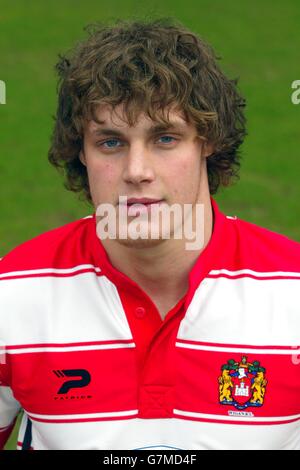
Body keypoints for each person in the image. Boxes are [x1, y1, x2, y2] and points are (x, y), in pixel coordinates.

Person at [0, 17, 299, 451]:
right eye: (111, 142)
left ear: (207, 141)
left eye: (164, 139)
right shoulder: (13, 292)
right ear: (79, 151)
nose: (136, 172)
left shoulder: (291, 290)